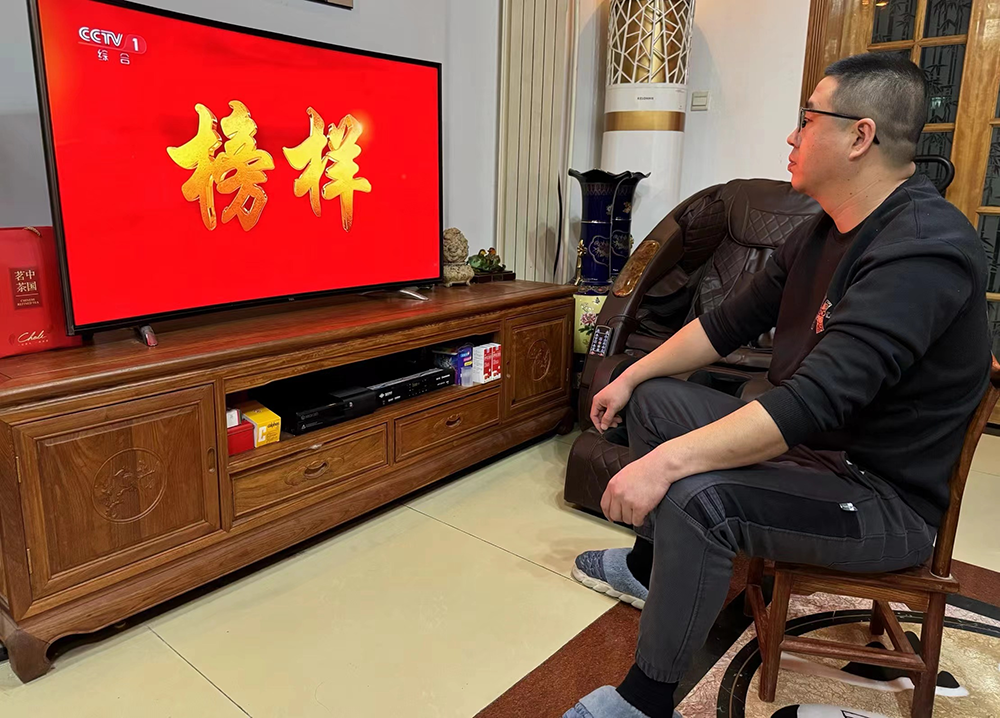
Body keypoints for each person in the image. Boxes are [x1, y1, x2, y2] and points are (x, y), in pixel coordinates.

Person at [563, 52, 991, 718]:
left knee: (698, 498)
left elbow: (812, 401)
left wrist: (664, 465)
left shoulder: (921, 249)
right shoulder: (824, 228)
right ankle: (650, 572)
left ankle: (643, 703)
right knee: (655, 400)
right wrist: (632, 374)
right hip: (813, 450)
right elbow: (726, 323)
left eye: (807, 119)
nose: (792, 136)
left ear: (860, 136)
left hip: (877, 498)